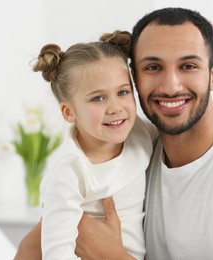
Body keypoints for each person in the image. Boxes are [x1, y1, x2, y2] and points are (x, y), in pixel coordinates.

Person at [15, 7, 213, 260]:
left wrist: (113, 255)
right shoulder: (130, 149)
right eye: (153, 67)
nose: (171, 86)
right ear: (134, 80)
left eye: (188, 66)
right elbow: (31, 250)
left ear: (212, 75)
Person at [30, 31, 155, 259]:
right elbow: (57, 253)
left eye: (123, 92)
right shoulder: (69, 171)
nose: (115, 107)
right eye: (98, 98)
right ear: (69, 112)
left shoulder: (140, 132)